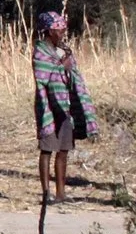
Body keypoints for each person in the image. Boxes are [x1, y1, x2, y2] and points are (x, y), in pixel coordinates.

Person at [31, 11, 96, 204]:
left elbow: (72, 72)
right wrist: (62, 66)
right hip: (48, 105)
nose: (62, 33)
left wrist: (67, 67)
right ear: (49, 31)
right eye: (58, 30)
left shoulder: (63, 50)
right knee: (47, 149)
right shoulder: (40, 51)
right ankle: (46, 192)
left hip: (65, 103)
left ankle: (61, 192)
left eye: (63, 30)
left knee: (64, 149)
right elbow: (43, 76)